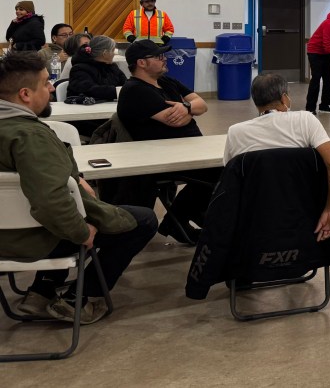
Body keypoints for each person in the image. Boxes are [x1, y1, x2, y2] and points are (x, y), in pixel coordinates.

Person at [0, 52, 156, 324]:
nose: (52, 88)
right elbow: (51, 203)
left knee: (71, 215)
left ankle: (41, 292)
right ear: (25, 94)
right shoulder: (30, 136)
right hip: (28, 239)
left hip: (9, 233)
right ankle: (79, 300)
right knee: (143, 220)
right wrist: (81, 232)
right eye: (46, 82)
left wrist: (75, 177)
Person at [117, 40, 218, 242]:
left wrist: (186, 108)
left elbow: (202, 105)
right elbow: (175, 121)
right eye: (158, 56)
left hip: (187, 150)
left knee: (225, 167)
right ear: (141, 63)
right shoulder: (135, 90)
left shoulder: (166, 81)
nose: (165, 59)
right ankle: (180, 218)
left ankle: (179, 218)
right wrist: (189, 108)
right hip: (160, 158)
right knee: (220, 173)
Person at [224, 73, 330, 241]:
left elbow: (230, 179)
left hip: (256, 221)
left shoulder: (236, 132)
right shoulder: (306, 120)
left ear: (255, 101)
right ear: (284, 98)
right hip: (303, 215)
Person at [67, 35, 127, 101]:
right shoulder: (79, 69)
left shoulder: (112, 67)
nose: (114, 54)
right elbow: (90, 90)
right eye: (112, 51)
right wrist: (118, 91)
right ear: (105, 53)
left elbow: (125, 84)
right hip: (83, 108)